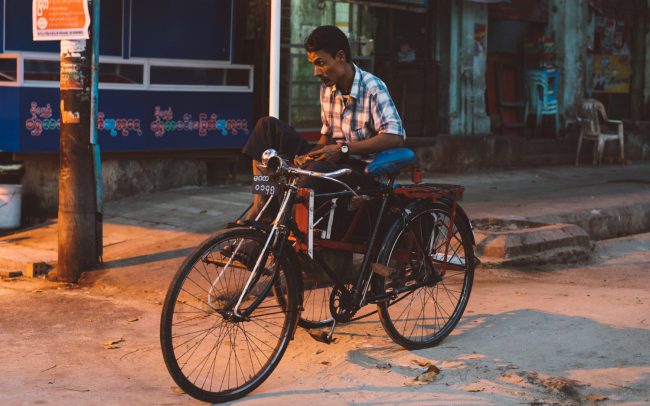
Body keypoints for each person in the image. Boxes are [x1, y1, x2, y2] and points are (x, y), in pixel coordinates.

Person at [242, 25, 405, 220]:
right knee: (266, 127)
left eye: (321, 63)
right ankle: (262, 204)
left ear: (340, 57)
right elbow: (326, 137)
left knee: (314, 172)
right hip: (332, 160)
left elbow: (395, 137)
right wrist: (311, 155)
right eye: (313, 64)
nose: (316, 72)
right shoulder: (327, 88)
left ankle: (283, 222)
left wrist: (343, 149)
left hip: (362, 172)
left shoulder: (373, 87)